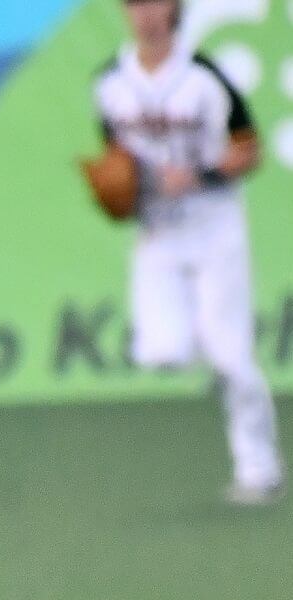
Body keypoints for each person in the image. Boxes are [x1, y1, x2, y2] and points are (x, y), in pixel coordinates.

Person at [94, 0, 285, 504]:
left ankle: (259, 469)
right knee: (161, 350)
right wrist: (119, 190)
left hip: (215, 227)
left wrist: (201, 174)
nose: (145, 13)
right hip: (156, 234)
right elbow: (115, 158)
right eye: (134, 4)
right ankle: (208, 343)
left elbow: (250, 148)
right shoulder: (110, 82)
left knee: (231, 358)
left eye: (154, 2)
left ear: (174, 8)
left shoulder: (205, 76)